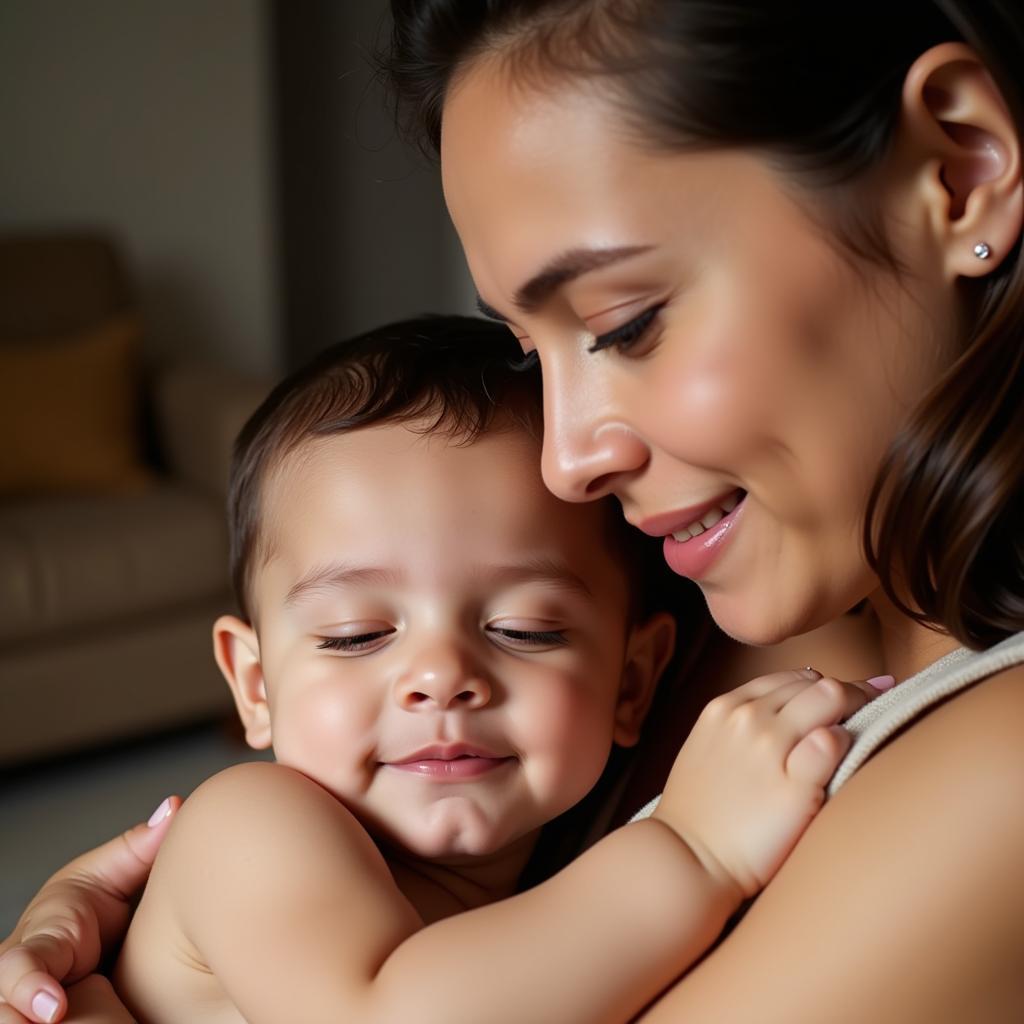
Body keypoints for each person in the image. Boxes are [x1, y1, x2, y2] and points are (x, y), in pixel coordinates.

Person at [4, 0, 1023, 1018]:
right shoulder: (706, 589)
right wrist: (101, 924)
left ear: (960, 169)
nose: (566, 459)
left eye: (625, 325)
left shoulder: (989, 768)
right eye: (530, 354)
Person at [1, 316, 881, 1024]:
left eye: (525, 628)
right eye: (354, 635)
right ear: (257, 685)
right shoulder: (248, 827)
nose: (441, 677)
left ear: (632, 682)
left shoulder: (560, 862)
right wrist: (696, 847)